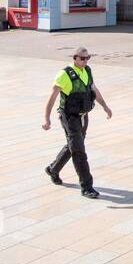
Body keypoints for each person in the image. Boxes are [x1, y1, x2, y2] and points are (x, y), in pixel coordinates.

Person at [43, 47, 111, 198]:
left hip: (83, 116)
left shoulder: (87, 71)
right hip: (69, 117)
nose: (85, 61)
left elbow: (94, 89)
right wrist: (46, 119)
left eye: (88, 58)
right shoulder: (65, 74)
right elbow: (52, 96)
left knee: (73, 146)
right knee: (79, 151)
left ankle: (53, 169)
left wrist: (105, 106)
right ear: (74, 58)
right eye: (82, 58)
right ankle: (87, 187)